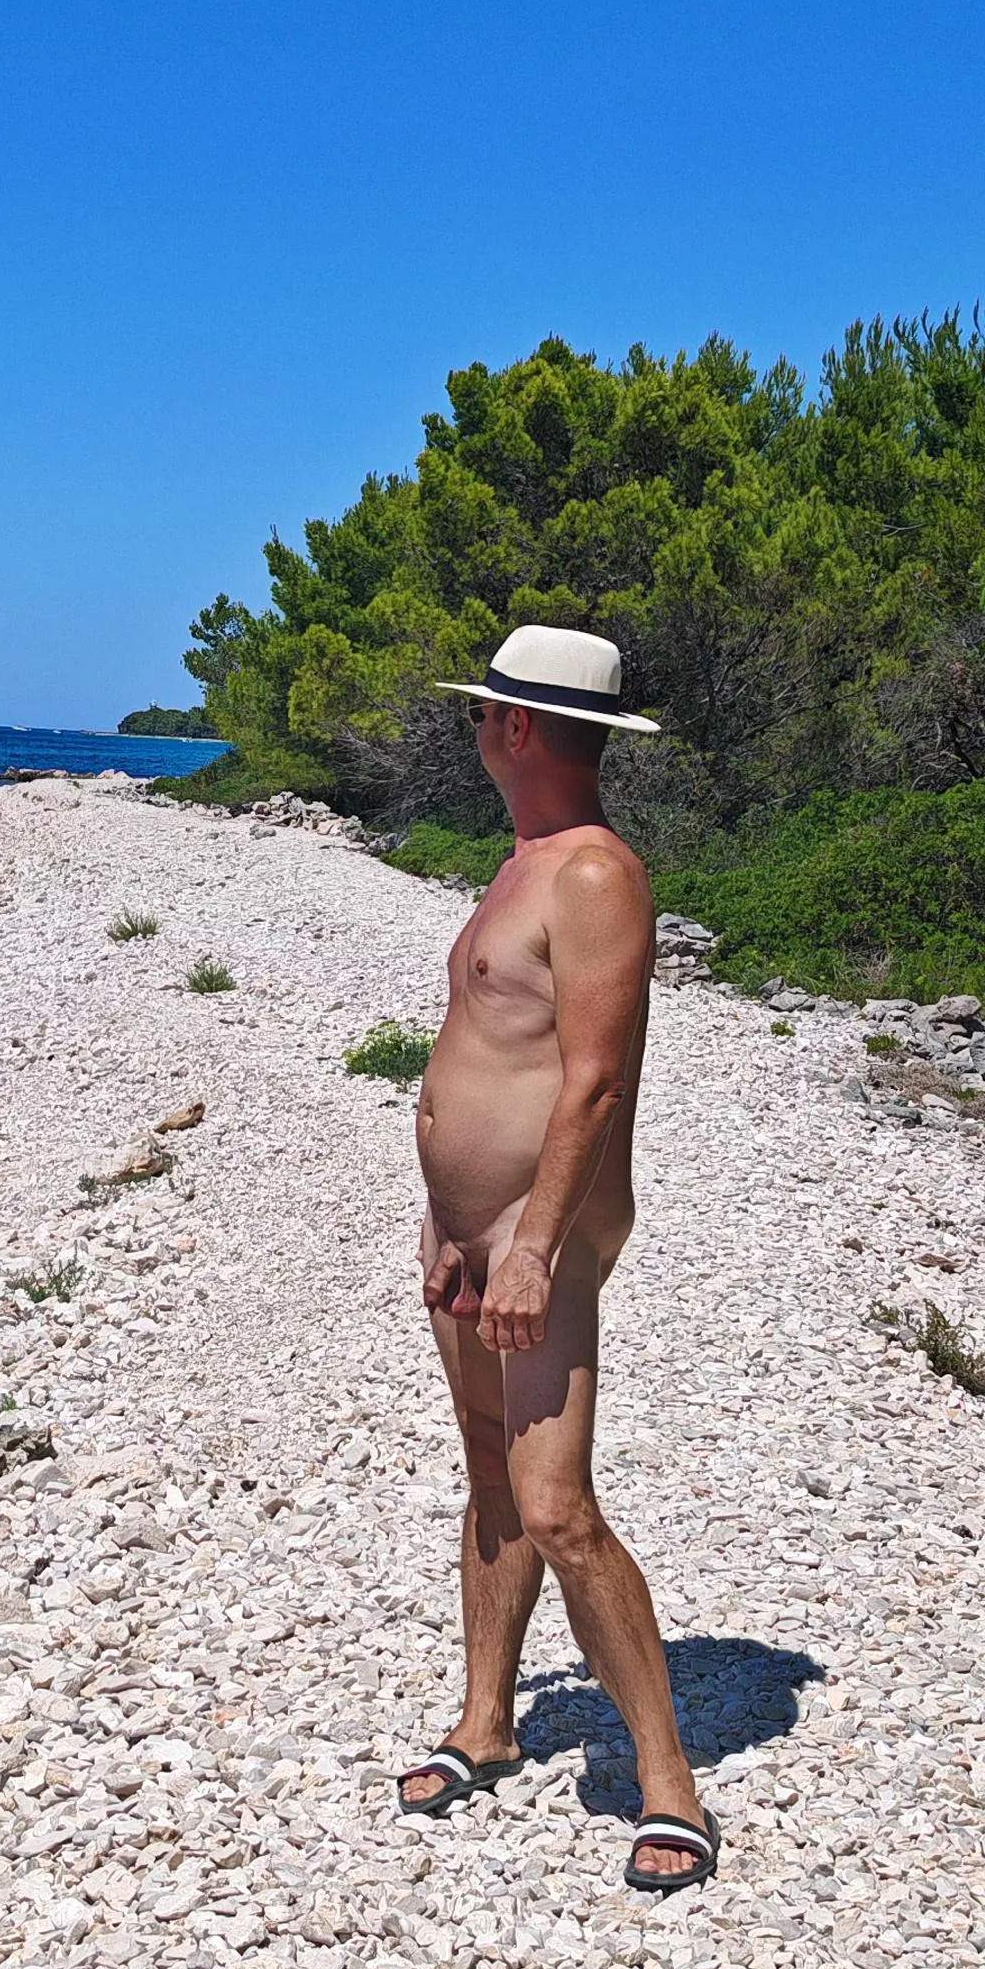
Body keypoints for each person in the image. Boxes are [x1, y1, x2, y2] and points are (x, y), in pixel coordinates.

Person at [395, 624, 717, 1895]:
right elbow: (484, 1048)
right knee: (488, 1470)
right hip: (473, 1234)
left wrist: (529, 1242)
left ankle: (670, 1785)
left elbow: (593, 1083)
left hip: (546, 1238)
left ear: (517, 727)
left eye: (484, 711)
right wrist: (447, 1212)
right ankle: (488, 1721)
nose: (477, 727)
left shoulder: (593, 875)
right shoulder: (520, 862)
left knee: (556, 1507)